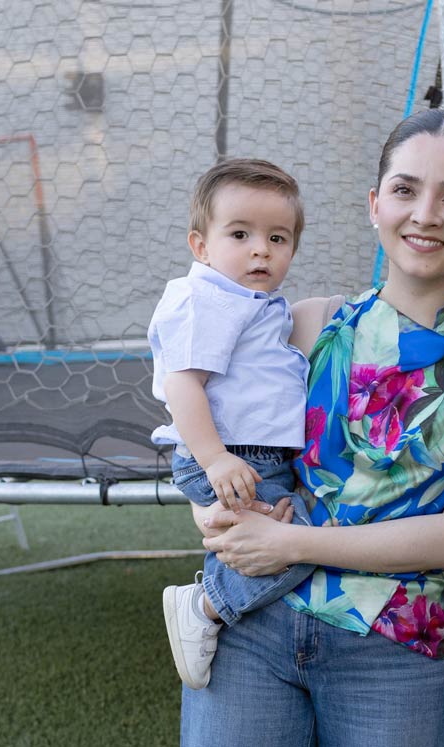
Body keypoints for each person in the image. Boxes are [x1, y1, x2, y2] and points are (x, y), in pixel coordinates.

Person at [181, 109, 444, 747]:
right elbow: (206, 422)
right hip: (257, 624)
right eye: (405, 190)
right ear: (374, 205)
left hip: (399, 647)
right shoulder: (304, 325)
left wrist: (293, 546)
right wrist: (209, 513)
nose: (425, 214)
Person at [148, 158, 315, 690]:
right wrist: (215, 459)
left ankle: (224, 606)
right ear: (201, 246)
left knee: (293, 536)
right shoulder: (208, 298)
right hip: (231, 456)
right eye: (240, 234)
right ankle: (205, 607)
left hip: (255, 457)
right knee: (304, 543)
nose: (261, 249)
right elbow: (182, 385)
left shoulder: (251, 302)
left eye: (277, 237)